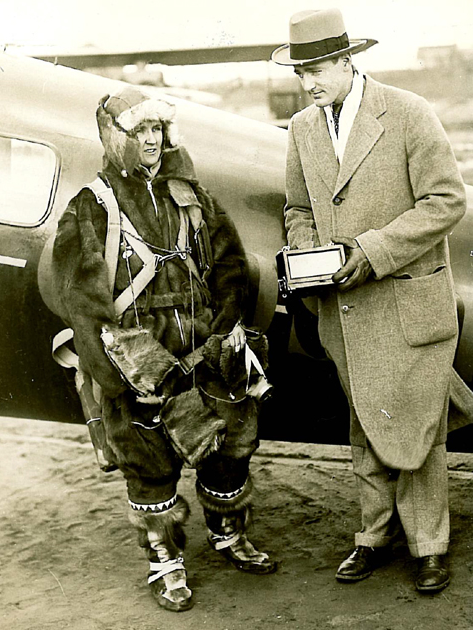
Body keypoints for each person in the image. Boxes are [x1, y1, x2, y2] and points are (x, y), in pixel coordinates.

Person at [52, 86, 276, 613]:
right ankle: (165, 561)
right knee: (149, 467)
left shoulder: (191, 197)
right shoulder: (90, 208)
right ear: (116, 137)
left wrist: (224, 332)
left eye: (157, 130)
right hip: (138, 361)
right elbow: (84, 305)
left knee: (229, 452)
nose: (151, 140)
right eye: (140, 131)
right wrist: (132, 370)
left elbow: (231, 267)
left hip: (207, 352)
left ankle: (228, 534)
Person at [272, 8, 467, 593]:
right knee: (365, 424)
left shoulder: (409, 112)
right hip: (345, 311)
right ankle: (373, 536)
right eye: (300, 73)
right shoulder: (304, 129)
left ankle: (430, 546)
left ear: (347, 60)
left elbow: (446, 201)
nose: (308, 84)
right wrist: (312, 256)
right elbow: (297, 209)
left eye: (317, 70)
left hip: (409, 304)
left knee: (420, 426)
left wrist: (371, 249)